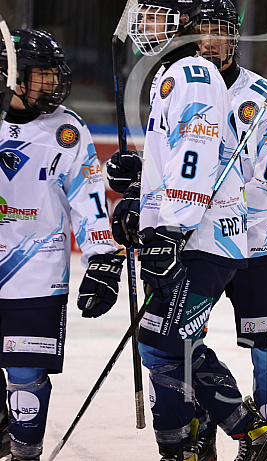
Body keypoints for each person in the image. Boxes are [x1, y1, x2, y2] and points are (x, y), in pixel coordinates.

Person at [109, 1, 267, 460]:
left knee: (165, 345)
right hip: (194, 236)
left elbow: (196, 153)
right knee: (165, 344)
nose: (149, 27)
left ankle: (248, 433)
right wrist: (137, 197)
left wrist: (169, 229)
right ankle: (189, 444)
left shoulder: (193, 75)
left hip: (201, 240)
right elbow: (176, 160)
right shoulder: (182, 74)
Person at [0, 29, 124, 460]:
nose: (52, 85)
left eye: (54, 75)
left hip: (37, 274)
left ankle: (24, 453)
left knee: (26, 375)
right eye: (41, 76)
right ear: (10, 76)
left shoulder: (67, 130)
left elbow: (88, 199)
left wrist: (104, 258)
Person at [190, 1, 267, 459]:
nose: (212, 40)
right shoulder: (178, 91)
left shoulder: (265, 99)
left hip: (257, 248)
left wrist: (226, 217)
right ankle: (199, 431)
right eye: (203, 31)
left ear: (234, 37)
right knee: (182, 343)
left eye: (220, 31)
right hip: (196, 246)